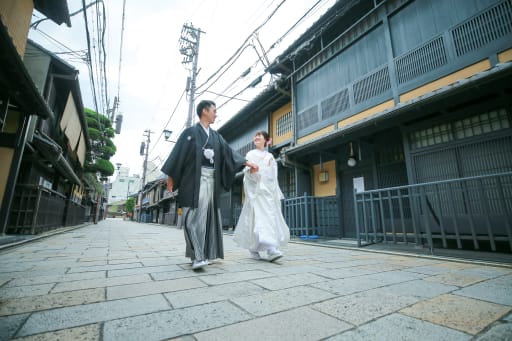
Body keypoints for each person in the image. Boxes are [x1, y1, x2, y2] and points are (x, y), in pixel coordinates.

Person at [161, 100, 258, 270]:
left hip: (211, 181)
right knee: (192, 218)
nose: (216, 113)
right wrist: (171, 178)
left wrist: (246, 162)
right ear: (204, 111)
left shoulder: (216, 136)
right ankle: (197, 256)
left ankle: (205, 254)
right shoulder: (190, 133)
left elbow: (229, 152)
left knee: (207, 220)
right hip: (194, 181)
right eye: (214, 110)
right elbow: (177, 155)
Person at [233, 130, 290, 261]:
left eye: (259, 136)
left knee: (269, 219)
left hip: (268, 193)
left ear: (266, 140)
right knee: (257, 221)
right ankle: (257, 249)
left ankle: (271, 249)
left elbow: (274, 177)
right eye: (255, 136)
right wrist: (252, 172)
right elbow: (247, 172)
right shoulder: (250, 154)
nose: (256, 137)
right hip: (256, 192)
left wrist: (275, 192)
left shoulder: (270, 156)